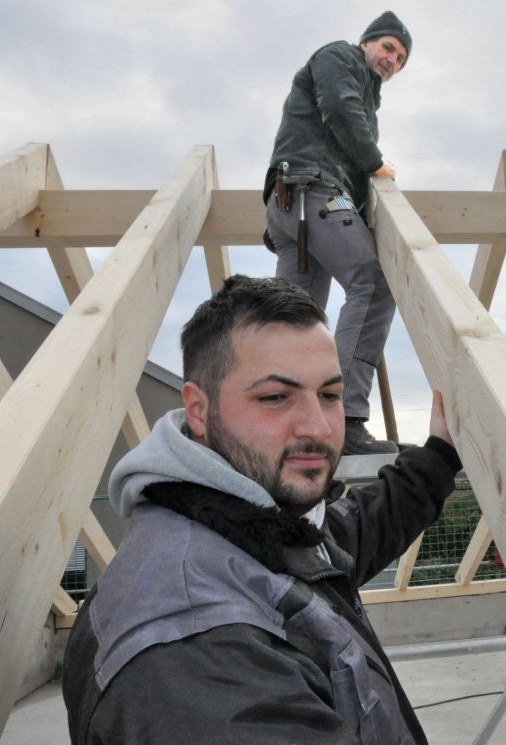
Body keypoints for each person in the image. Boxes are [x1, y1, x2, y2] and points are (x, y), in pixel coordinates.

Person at [62, 275, 461, 745]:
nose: (317, 426)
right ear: (197, 410)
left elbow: (352, 532)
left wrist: (439, 454)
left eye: (330, 395)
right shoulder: (196, 655)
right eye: (275, 397)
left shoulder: (242, 529)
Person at [263, 10, 412, 455]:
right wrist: (377, 162)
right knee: (375, 282)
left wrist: (364, 209)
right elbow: (341, 111)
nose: (392, 60)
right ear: (367, 42)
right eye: (388, 48)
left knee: (296, 321)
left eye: (401, 59)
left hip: (298, 204)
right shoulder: (339, 58)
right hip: (313, 191)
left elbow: (354, 171)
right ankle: (345, 417)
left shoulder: (367, 95)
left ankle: (289, 429)